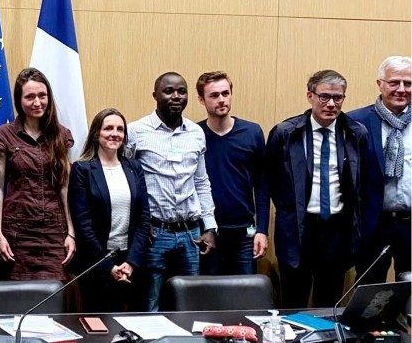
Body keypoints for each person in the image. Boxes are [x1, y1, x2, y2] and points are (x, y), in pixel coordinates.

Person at [266, 70, 367, 308]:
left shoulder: (355, 133)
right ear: (310, 96)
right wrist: (288, 208)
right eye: (324, 96)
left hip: (336, 230)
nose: (331, 104)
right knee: (292, 300)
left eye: (338, 97)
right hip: (298, 229)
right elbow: (270, 178)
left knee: (329, 301)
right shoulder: (286, 133)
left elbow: (361, 184)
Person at [127, 72, 217, 312]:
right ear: (155, 95)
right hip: (155, 232)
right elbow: (127, 180)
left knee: (190, 301)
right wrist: (137, 225)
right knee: (151, 302)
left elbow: (201, 182)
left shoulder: (196, 133)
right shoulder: (135, 131)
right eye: (169, 91)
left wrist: (209, 226)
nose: (176, 96)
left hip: (191, 232)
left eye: (181, 91)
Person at [0, 67, 76, 281]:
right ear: (19, 100)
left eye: (42, 95)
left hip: (53, 231)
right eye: (30, 97)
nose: (37, 102)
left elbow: (65, 187)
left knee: (54, 293)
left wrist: (71, 233)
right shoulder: (4, 135)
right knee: (19, 296)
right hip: (17, 231)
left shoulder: (61, 134)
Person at [68, 108, 150, 312]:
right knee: (97, 327)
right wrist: (108, 266)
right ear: (97, 133)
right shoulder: (82, 169)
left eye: (120, 129)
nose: (115, 133)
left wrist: (131, 262)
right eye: (108, 128)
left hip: (130, 264)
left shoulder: (134, 167)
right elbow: (83, 225)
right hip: (96, 264)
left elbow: (143, 218)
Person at [195, 71, 269, 275]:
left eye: (225, 93)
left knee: (244, 299)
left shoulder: (252, 132)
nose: (221, 100)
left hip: (244, 233)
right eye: (214, 95)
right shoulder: (194, 135)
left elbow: (262, 185)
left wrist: (262, 230)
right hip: (207, 232)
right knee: (208, 297)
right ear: (201, 99)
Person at [348, 56, 411, 283]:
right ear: (380, 84)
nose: (401, 89)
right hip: (374, 223)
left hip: (410, 222)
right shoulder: (356, 122)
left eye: (408, 83)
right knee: (369, 289)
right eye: (394, 82)